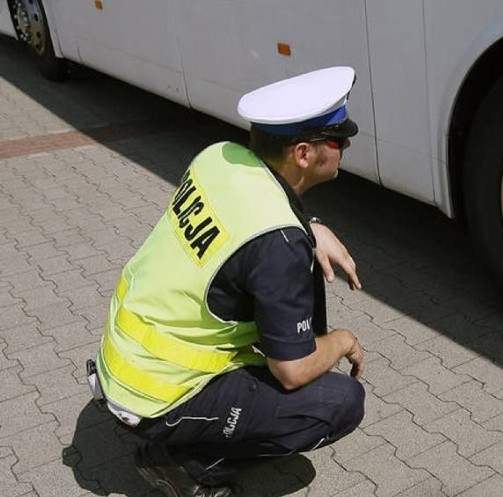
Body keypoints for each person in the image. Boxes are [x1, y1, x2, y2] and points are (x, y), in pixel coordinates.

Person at [89, 67, 367, 497]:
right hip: (156, 392)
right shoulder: (278, 244)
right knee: (340, 402)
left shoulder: (218, 156)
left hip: (126, 355)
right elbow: (292, 372)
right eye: (337, 140)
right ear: (303, 154)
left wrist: (310, 229)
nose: (345, 146)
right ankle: (182, 464)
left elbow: (247, 216)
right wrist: (344, 341)